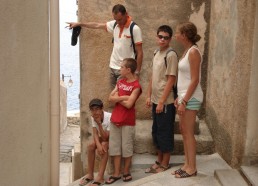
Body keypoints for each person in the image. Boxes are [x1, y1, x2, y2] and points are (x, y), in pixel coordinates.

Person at [67, 4, 143, 87]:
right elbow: (97, 25)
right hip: (113, 67)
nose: (118, 22)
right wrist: (79, 24)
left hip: (126, 70)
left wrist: (137, 73)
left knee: (121, 96)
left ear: (126, 14)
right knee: (114, 96)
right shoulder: (115, 25)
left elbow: (140, 52)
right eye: (116, 20)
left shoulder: (134, 29)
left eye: (120, 19)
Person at [171, 21, 203, 178]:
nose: (176, 35)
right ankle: (187, 164)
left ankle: (192, 168)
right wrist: (179, 97)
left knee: (188, 133)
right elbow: (185, 78)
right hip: (185, 97)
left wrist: (184, 101)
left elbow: (195, 80)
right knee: (184, 131)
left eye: (178, 32)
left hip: (192, 97)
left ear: (184, 35)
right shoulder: (187, 51)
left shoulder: (193, 52)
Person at [145, 25, 178, 173]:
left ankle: (165, 164)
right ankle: (158, 161)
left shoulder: (171, 55)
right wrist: (148, 95)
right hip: (155, 100)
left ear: (170, 39)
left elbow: (171, 79)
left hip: (166, 102)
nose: (162, 39)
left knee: (165, 132)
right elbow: (153, 77)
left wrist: (161, 102)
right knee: (156, 131)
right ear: (157, 37)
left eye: (165, 37)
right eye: (160, 36)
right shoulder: (156, 52)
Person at [106, 58, 142, 184]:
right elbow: (110, 98)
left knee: (126, 148)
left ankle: (126, 171)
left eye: (121, 67)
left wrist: (119, 98)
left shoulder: (136, 86)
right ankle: (116, 173)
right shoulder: (120, 82)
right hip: (115, 119)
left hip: (127, 121)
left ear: (128, 70)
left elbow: (129, 104)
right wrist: (125, 97)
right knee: (115, 148)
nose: (119, 69)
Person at [79, 98, 111, 186]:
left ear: (102, 109)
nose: (95, 112)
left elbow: (105, 138)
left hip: (113, 139)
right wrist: (97, 145)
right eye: (92, 110)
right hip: (103, 137)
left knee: (104, 145)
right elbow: (95, 134)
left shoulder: (109, 117)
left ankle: (100, 178)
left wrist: (99, 123)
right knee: (91, 146)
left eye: (97, 109)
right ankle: (90, 174)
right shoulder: (94, 117)